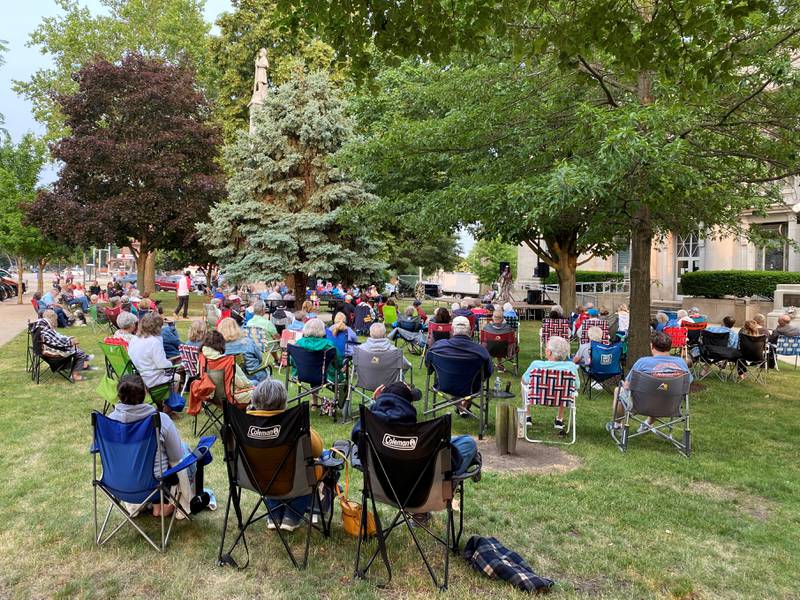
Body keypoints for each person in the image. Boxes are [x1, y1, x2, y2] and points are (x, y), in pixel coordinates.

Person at [349, 380, 478, 526]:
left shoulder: (368, 431)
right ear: (407, 405)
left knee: (446, 446)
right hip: (426, 494)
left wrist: (375, 405)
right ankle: (421, 511)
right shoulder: (424, 437)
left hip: (385, 492)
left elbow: (356, 432)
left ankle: (420, 514)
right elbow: (454, 462)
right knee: (467, 443)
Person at [108, 374, 205, 517]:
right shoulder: (160, 419)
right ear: (145, 393)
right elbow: (176, 457)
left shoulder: (108, 422)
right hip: (154, 487)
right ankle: (172, 504)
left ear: (119, 395)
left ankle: (153, 505)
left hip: (118, 485)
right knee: (183, 450)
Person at [247, 379, 324, 530]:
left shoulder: (244, 424)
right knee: (321, 460)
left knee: (269, 467)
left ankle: (274, 514)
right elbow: (317, 449)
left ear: (255, 400)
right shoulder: (294, 424)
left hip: (258, 480)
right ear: (284, 401)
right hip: (294, 482)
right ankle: (292, 516)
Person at [608, 331, 691, 433]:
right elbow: (687, 384)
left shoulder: (643, 362)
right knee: (661, 392)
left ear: (652, 346)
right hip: (671, 405)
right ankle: (648, 424)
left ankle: (617, 425)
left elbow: (627, 385)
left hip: (641, 405)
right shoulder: (681, 363)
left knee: (618, 390)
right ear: (670, 346)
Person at [426, 316, 493, 416]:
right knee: (473, 382)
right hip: (470, 388)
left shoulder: (437, 347)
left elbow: (429, 367)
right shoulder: (480, 351)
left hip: (443, 384)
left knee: (455, 380)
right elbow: (488, 372)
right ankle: (463, 406)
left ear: (451, 331)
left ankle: (461, 407)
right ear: (471, 332)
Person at [521, 335, 579, 432]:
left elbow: (524, 381)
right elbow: (577, 386)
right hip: (560, 398)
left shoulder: (536, 365)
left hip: (539, 397)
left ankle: (527, 416)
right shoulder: (571, 367)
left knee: (523, 384)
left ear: (549, 352)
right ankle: (559, 420)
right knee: (567, 389)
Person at [293, 318, 343, 412]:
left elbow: (292, 362)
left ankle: (314, 402)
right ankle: (338, 401)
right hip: (324, 375)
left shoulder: (298, 344)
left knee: (316, 371)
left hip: (302, 374)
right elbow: (338, 363)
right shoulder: (329, 345)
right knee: (332, 372)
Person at [31, 310, 92, 381]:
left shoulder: (40, 325)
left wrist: (69, 339)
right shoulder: (45, 329)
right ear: (53, 318)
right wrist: (69, 342)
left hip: (39, 350)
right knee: (79, 353)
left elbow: (56, 337)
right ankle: (76, 375)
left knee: (74, 343)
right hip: (48, 352)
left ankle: (84, 363)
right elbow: (56, 341)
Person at [128, 313, 176, 392]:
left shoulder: (134, 338)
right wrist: (171, 363)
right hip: (151, 379)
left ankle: (162, 402)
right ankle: (167, 403)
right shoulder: (154, 342)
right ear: (158, 327)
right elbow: (162, 364)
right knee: (176, 377)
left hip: (138, 376)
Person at [201, 331, 253, 404]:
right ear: (221, 343)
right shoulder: (228, 361)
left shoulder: (202, 357)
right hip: (230, 397)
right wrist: (252, 385)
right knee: (258, 388)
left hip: (211, 397)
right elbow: (243, 384)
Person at [217, 317, 267, 382]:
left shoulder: (218, 347)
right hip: (253, 375)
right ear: (236, 328)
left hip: (232, 379)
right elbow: (260, 358)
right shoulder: (248, 342)